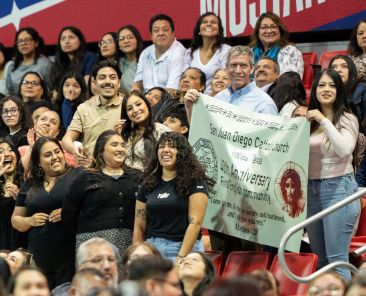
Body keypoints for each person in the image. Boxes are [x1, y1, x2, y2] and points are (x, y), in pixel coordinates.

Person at [305, 69, 360, 280]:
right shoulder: (308, 122)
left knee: (336, 260)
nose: (326, 89)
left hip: (339, 189)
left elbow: (345, 149)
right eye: (321, 85)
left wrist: (324, 120)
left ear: (339, 90)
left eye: (332, 85)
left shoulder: (347, 118)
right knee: (320, 261)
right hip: (311, 190)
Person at [11, 137, 83, 288]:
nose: (55, 157)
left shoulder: (78, 176)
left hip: (70, 253)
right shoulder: (30, 184)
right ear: (38, 162)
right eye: (48, 154)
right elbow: (16, 220)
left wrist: (68, 212)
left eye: (57, 152)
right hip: (39, 255)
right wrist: (29, 221)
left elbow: (92, 209)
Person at [133, 132, 212, 261]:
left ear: (182, 152)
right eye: (162, 146)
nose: (165, 150)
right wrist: (137, 253)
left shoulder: (195, 183)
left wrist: (181, 257)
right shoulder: (147, 184)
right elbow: (139, 226)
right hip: (152, 249)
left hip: (184, 248)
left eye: (172, 146)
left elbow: (195, 223)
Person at [62, 130, 140, 258]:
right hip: (91, 243)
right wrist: (89, 236)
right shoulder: (85, 177)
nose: (120, 149)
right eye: (114, 145)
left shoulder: (136, 176)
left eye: (122, 145)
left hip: (129, 242)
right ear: (101, 150)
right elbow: (68, 214)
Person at [184, 45, 278, 123]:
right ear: (226, 68)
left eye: (243, 65)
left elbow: (270, 142)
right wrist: (189, 107)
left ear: (252, 68)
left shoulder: (265, 104)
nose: (238, 71)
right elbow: (202, 133)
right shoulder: (218, 99)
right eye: (233, 65)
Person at [62, 60, 124, 165]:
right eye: (102, 77)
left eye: (112, 77)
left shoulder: (129, 106)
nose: (107, 81)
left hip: (121, 167)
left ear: (119, 82)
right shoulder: (84, 108)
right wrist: (75, 151)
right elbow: (66, 140)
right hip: (91, 169)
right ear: (94, 83)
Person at [132, 14, 186, 95]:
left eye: (165, 29)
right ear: (151, 35)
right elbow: (137, 83)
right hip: (147, 102)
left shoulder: (180, 53)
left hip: (169, 103)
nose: (160, 33)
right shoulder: (145, 53)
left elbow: (172, 91)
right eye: (156, 30)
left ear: (173, 33)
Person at [118, 90, 170, 171]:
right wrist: (117, 136)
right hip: (125, 178)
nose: (135, 110)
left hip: (150, 180)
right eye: (129, 108)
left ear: (147, 105)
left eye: (138, 104)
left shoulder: (162, 130)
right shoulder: (126, 133)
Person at [183, 12, 231, 94]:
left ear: (219, 30)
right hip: (192, 99)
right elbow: (184, 79)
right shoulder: (189, 52)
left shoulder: (226, 50)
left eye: (213, 22)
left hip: (217, 100)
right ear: (199, 30)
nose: (209, 24)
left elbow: (225, 81)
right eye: (205, 22)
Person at [249, 12, 304, 78]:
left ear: (280, 30)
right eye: (264, 27)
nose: (269, 31)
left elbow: (289, 82)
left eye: (273, 27)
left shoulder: (289, 51)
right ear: (258, 32)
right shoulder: (250, 53)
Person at [6, 27, 52, 95]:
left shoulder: (46, 65)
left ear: (36, 43)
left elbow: (52, 91)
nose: (24, 43)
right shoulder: (12, 66)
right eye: (20, 41)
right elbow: (10, 91)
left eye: (27, 40)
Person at [51, 26, 97, 92]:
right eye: (63, 39)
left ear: (80, 41)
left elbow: (87, 84)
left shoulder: (90, 57)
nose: (66, 41)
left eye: (71, 37)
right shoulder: (60, 62)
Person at [0, 137, 25, 250]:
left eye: (10, 150)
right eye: (1, 152)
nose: (6, 154)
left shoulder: (27, 183)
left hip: (22, 246)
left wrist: (19, 197)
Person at [329, 54, 366, 131]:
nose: (338, 70)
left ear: (351, 71)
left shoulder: (362, 88)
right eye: (334, 67)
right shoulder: (325, 91)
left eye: (344, 66)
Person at [117, 25, 144, 94]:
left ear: (137, 40)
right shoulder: (117, 64)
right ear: (118, 45)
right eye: (121, 39)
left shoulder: (147, 58)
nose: (126, 41)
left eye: (130, 37)